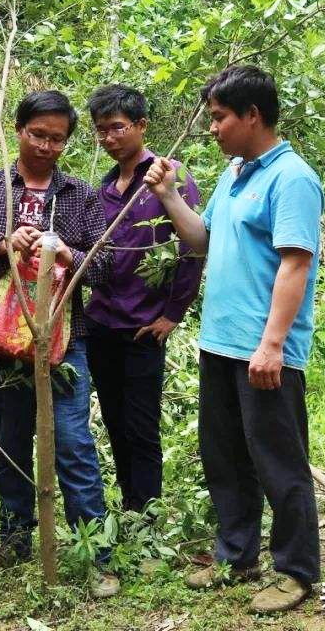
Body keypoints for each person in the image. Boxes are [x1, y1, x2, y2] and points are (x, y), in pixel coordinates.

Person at [144, 66, 323, 614]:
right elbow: (202, 239)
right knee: (223, 454)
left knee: (277, 459)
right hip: (220, 342)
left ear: (252, 115)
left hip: (262, 348)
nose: (213, 128)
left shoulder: (292, 178)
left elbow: (295, 263)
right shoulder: (236, 172)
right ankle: (237, 554)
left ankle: (295, 570)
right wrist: (171, 196)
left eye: (220, 117)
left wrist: (271, 344)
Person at [0, 90, 119, 598]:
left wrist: (67, 253)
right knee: (12, 438)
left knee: (73, 442)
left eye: (57, 138)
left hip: (67, 339)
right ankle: (15, 538)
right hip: (4, 340)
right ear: (18, 131)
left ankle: (97, 552)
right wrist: (2, 243)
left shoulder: (81, 197)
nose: (46, 146)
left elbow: (104, 267)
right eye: (38, 134)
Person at [84, 84, 203, 514]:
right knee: (114, 422)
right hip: (101, 322)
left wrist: (173, 314)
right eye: (101, 131)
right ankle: (131, 507)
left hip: (143, 326)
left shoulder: (168, 177)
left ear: (140, 125)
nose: (109, 138)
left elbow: (193, 248)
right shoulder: (105, 188)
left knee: (141, 426)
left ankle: (146, 516)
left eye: (117, 128)